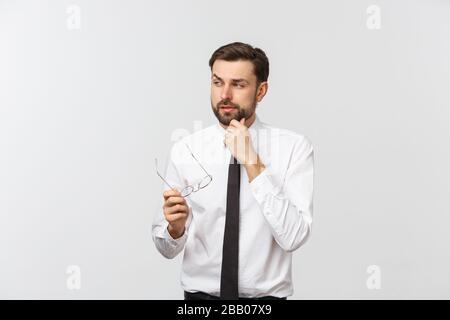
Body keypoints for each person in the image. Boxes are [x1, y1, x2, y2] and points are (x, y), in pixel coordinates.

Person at [152, 42, 314, 300]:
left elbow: (293, 237)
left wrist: (252, 161)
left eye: (238, 84)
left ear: (261, 91)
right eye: (217, 83)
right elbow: (166, 248)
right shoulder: (186, 149)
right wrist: (175, 229)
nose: (225, 94)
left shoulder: (294, 148)